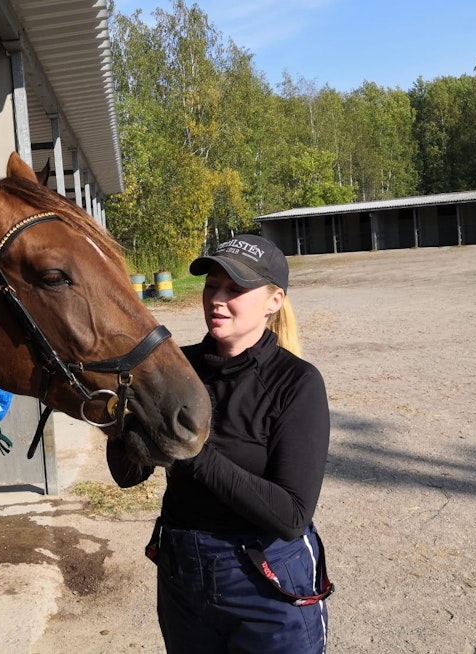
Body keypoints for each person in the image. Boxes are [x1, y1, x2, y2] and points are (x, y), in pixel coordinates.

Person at [107, 234, 333, 654]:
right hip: (182, 574)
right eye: (212, 286)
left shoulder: (296, 383)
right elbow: (127, 476)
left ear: (274, 300)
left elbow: (291, 516)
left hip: (265, 582)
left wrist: (190, 450)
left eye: (235, 289)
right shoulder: (178, 369)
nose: (217, 298)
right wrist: (116, 427)